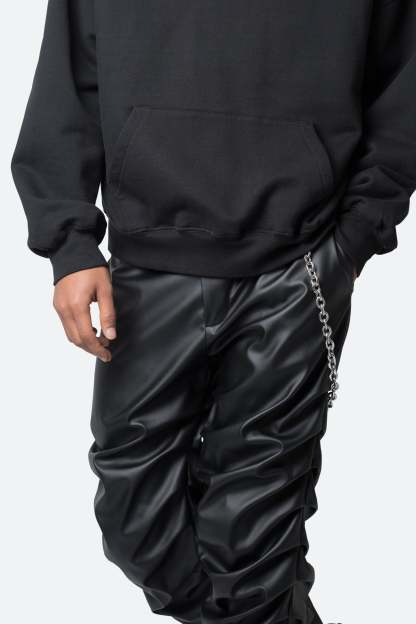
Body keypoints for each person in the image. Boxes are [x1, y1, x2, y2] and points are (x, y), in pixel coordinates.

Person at [12, 2, 415, 623]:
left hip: (300, 263)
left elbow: (404, 79)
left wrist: (356, 237)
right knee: (133, 520)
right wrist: (69, 243)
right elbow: (68, 75)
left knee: (255, 528)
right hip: (149, 260)